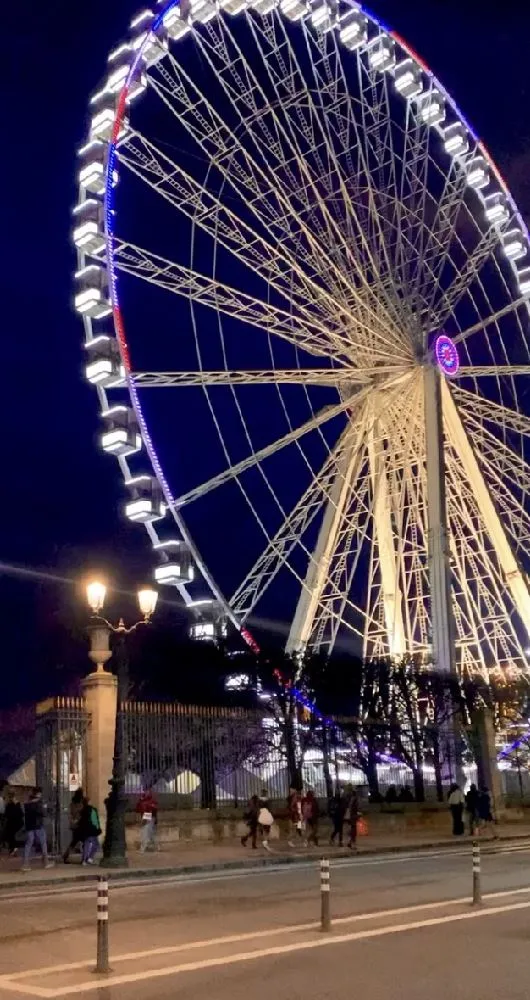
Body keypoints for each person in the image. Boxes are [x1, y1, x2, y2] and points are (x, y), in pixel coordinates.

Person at [21, 787, 53, 871]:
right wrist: (45, 807)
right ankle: (46, 862)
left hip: (29, 826)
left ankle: (25, 864)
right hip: (38, 826)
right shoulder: (39, 804)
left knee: (28, 843)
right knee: (43, 843)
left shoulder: (27, 804)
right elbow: (44, 813)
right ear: (38, 794)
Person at [78, 796, 102, 865]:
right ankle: (89, 858)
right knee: (96, 844)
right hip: (92, 830)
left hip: (85, 830)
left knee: (86, 844)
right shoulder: (92, 810)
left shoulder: (82, 810)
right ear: (89, 802)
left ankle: (84, 860)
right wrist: (98, 828)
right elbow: (95, 821)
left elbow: (81, 821)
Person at [63, 788, 84, 863]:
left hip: (74, 825)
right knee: (83, 841)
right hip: (80, 824)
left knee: (74, 841)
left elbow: (70, 814)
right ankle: (84, 858)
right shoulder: (82, 804)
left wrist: (72, 821)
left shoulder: (72, 804)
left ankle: (66, 855)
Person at [136, 788, 158, 853]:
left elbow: (152, 810)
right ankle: (155, 847)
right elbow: (138, 809)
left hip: (149, 817)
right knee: (150, 833)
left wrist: (145, 819)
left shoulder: (151, 801)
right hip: (147, 817)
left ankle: (143, 848)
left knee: (146, 833)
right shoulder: (142, 801)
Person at [4, 790, 24, 856]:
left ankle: (13, 849)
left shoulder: (9, 804)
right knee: (13, 836)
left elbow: (6, 814)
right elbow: (21, 814)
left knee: (11, 836)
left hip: (12, 823)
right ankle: (13, 849)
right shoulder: (17, 804)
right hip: (17, 823)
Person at [347, 787, 360, 851]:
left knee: (351, 831)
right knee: (353, 832)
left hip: (350, 817)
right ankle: (353, 844)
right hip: (353, 818)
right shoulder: (354, 800)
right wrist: (357, 815)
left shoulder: (351, 800)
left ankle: (349, 842)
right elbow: (355, 809)